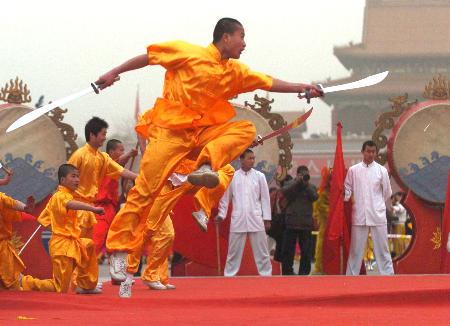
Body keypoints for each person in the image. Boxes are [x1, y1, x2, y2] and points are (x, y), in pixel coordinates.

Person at [98, 17, 323, 282]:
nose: (244, 43)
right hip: (171, 133)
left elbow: (267, 81)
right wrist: (114, 72)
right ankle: (120, 255)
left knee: (245, 130)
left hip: (203, 136)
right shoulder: (188, 53)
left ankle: (206, 166)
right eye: (241, 35)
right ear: (225, 37)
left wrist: (302, 87)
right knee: (144, 192)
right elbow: (149, 57)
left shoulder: (235, 72)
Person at [118, 163, 234, 297]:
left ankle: (153, 275)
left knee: (227, 169)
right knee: (152, 232)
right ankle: (128, 275)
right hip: (161, 190)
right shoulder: (169, 149)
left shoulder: (201, 151)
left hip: (184, 182)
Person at [21, 164, 106, 293]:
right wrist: (93, 209)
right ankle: (26, 282)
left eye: (78, 176)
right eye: (73, 176)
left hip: (71, 242)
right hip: (62, 247)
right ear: (62, 180)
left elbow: (43, 219)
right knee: (60, 288)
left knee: (88, 245)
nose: (77, 180)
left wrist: (57, 227)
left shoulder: (64, 196)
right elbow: (70, 204)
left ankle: (86, 285)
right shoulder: (60, 196)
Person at [68, 117, 137, 239]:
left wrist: (141, 178)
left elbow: (121, 170)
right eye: (103, 134)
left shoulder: (102, 157)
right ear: (92, 135)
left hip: (92, 210)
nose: (105, 137)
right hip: (77, 210)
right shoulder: (79, 155)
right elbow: (65, 182)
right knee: (77, 249)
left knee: (90, 250)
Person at [216, 149, 272, 277]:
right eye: (249, 158)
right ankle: (229, 275)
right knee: (233, 252)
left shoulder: (260, 176)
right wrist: (221, 214)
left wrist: (267, 218)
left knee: (262, 251)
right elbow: (225, 198)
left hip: (256, 218)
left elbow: (265, 198)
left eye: (253, 158)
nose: (252, 161)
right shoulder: (233, 177)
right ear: (241, 159)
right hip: (238, 219)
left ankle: (266, 274)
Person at [344, 140, 394, 276]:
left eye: (373, 152)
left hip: (377, 215)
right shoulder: (353, 171)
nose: (371, 154)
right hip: (359, 214)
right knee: (355, 250)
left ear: (376, 153)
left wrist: (377, 205)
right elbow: (347, 189)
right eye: (368, 151)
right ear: (362, 152)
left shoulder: (382, 170)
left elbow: (387, 193)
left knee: (383, 249)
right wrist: (344, 195)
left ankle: (388, 276)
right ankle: (351, 277)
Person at [93, 139, 138, 256]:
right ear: (111, 152)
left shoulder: (114, 166)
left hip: (111, 208)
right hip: (101, 208)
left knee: (114, 243)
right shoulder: (106, 163)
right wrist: (129, 154)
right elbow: (120, 163)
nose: (123, 152)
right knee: (96, 242)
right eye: (121, 150)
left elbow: (120, 164)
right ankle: (80, 270)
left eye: (124, 150)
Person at [0, 171, 35, 290]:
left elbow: (13, 203)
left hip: (2, 248)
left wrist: (26, 208)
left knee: (11, 284)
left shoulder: (1, 198)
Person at [281, 166, 318, 275]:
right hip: (291, 222)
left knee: (306, 251)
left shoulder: (311, 187)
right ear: (297, 175)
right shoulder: (290, 184)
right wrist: (297, 182)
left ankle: (304, 273)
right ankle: (288, 272)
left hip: (305, 223)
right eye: (302, 175)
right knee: (288, 251)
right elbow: (285, 192)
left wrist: (305, 185)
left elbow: (315, 197)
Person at [312, 167, 331, 274]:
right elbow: (319, 208)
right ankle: (319, 269)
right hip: (325, 227)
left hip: (337, 227)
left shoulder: (340, 192)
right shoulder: (322, 193)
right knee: (322, 246)